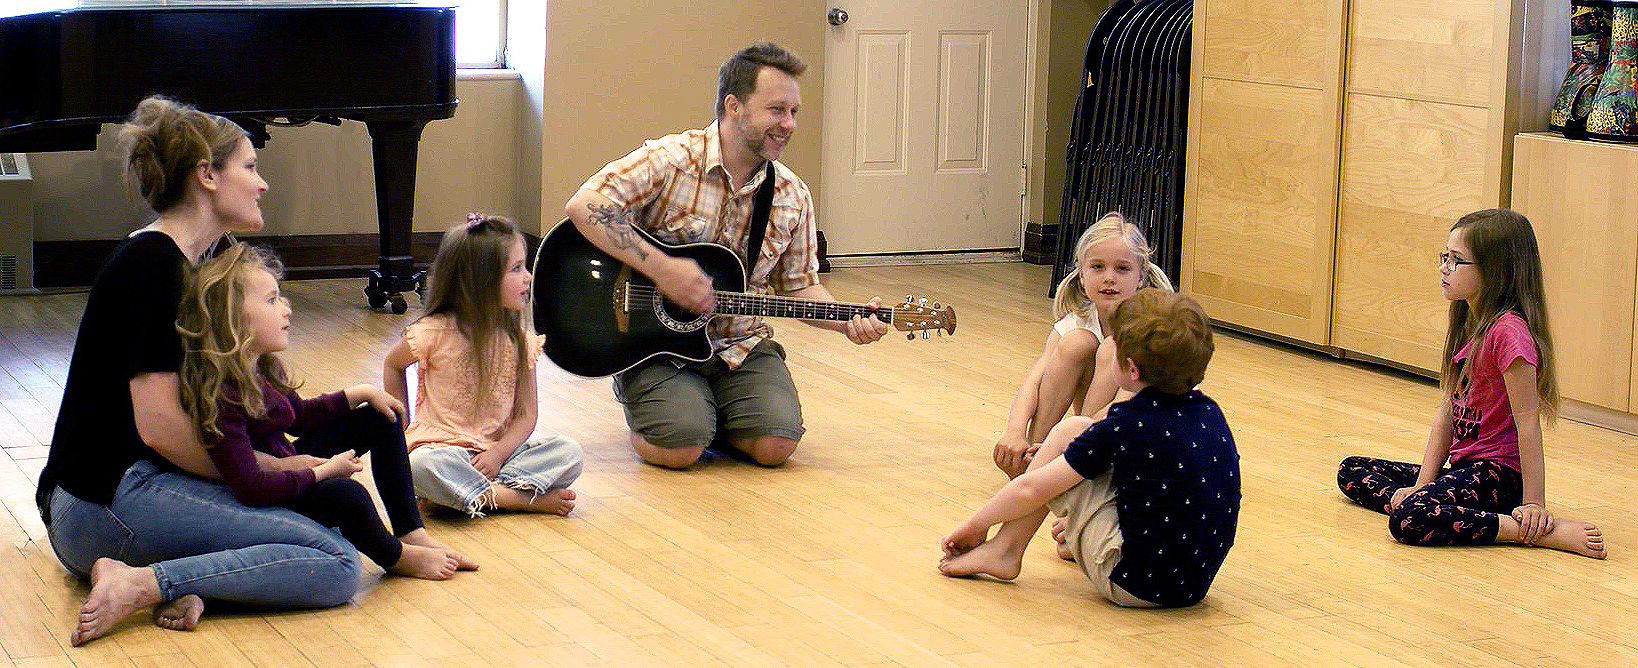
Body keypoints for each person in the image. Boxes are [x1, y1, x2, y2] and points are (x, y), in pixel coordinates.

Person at [35, 96, 422, 647]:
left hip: (148, 484)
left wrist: (290, 465)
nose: (262, 184)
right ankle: (145, 581)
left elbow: (253, 405)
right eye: (250, 167)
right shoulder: (151, 267)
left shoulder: (203, 261)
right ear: (207, 175)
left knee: (324, 523)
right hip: (101, 502)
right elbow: (160, 427)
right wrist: (267, 470)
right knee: (334, 561)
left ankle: (194, 587)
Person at [563, 41, 889, 469]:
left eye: (794, 112)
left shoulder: (791, 194)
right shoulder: (671, 160)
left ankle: (705, 414)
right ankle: (673, 415)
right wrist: (665, 271)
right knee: (680, 447)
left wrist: (846, 321)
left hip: (739, 342)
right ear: (733, 106)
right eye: (776, 110)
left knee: (776, 447)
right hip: (653, 343)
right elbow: (585, 206)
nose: (788, 124)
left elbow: (801, 286)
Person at [176, 243, 467, 580]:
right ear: (231, 320)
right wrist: (325, 472)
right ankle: (396, 556)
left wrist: (361, 393)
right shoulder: (222, 394)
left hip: (291, 468)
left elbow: (299, 417)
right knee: (350, 495)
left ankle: (410, 530)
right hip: (273, 495)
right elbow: (250, 487)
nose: (285, 309)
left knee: (380, 418)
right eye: (271, 301)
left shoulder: (261, 367)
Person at [940, 288, 1239, 608]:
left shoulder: (1125, 422)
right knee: (1091, 443)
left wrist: (975, 525)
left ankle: (1005, 550)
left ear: (1131, 369)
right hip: (1194, 584)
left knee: (1069, 431)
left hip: (1133, 584)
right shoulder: (1209, 411)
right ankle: (1057, 540)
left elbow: (1029, 489)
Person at [1336, 208, 1605, 558]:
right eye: (1444, 257)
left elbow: (1528, 424)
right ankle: (1445, 508)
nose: (1443, 268)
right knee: (1352, 470)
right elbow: (1446, 413)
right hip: (1466, 469)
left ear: (1494, 271)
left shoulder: (1510, 334)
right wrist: (1421, 484)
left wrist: (1534, 503)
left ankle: (1532, 531)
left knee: (1408, 519)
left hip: (1498, 477)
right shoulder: (1467, 319)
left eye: (1456, 261)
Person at [383, 214, 583, 515]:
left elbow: (527, 415)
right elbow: (392, 365)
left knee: (569, 453)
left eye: (524, 266)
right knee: (420, 466)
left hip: (495, 457)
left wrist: (498, 454)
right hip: (441, 451)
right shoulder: (433, 331)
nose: (528, 276)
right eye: (516, 269)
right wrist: (401, 430)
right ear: (481, 281)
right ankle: (515, 499)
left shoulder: (520, 341)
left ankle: (459, 493)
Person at [993, 212, 1173, 478]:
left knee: (1113, 347)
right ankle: (1031, 461)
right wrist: (1015, 433)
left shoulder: (1149, 327)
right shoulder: (1077, 321)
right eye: (1097, 267)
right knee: (1076, 342)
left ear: (1142, 277)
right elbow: (1033, 382)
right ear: (1081, 274)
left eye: (1122, 268)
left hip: (1147, 441)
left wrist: (1069, 446)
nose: (1109, 278)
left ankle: (1076, 465)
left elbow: (1123, 407)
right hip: (1094, 431)